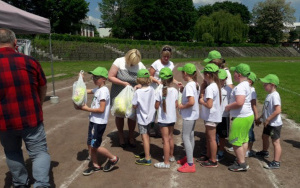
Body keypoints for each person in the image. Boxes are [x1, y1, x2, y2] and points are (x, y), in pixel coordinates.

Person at [0, 28, 50, 187]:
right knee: (39, 152)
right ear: (15, 42)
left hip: (4, 122)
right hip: (31, 118)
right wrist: (39, 104)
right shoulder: (30, 61)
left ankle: (20, 183)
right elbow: (43, 86)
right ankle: (41, 184)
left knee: (12, 152)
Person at [76, 67, 119, 176]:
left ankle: (113, 158)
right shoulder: (99, 89)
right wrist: (80, 82)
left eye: (96, 77)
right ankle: (95, 165)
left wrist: (86, 109)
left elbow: (101, 109)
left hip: (99, 123)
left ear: (103, 79)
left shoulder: (103, 91)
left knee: (95, 145)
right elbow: (86, 91)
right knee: (90, 143)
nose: (94, 79)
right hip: (94, 121)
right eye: (93, 76)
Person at [108, 49, 146, 148]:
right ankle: (121, 136)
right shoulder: (119, 61)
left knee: (132, 115)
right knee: (120, 114)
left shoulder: (140, 65)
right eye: (132, 63)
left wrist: (139, 85)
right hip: (119, 92)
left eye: (135, 63)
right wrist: (123, 83)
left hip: (133, 94)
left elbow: (146, 80)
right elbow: (110, 77)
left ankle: (131, 136)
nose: (133, 65)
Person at [225, 63, 254, 172]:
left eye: (235, 73)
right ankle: (240, 159)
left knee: (235, 139)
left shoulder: (241, 87)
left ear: (239, 74)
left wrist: (228, 107)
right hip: (247, 116)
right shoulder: (247, 84)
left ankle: (241, 163)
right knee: (243, 139)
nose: (233, 74)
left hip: (241, 117)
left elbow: (240, 102)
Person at [176, 63, 200, 173]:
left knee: (185, 136)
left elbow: (191, 102)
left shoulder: (190, 86)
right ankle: (189, 157)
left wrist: (181, 106)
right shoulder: (194, 84)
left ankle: (190, 164)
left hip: (189, 115)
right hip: (193, 114)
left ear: (185, 73)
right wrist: (183, 89)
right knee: (190, 135)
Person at [256, 74, 282, 169]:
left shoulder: (275, 96)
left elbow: (278, 110)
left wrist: (268, 119)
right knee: (264, 136)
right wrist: (260, 118)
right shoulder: (269, 95)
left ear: (272, 84)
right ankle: (265, 151)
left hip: (274, 124)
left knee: (276, 142)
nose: (263, 85)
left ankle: (276, 162)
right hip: (268, 123)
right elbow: (267, 109)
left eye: (265, 84)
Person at [198, 64, 222, 168]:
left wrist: (201, 101)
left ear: (208, 74)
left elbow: (209, 104)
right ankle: (208, 155)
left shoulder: (211, 88)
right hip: (211, 116)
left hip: (211, 117)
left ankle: (213, 160)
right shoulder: (214, 85)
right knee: (208, 137)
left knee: (211, 139)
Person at [154, 68, 178, 169]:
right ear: (172, 79)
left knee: (165, 140)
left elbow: (156, 106)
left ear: (161, 80)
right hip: (172, 118)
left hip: (163, 119)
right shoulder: (175, 91)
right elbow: (176, 104)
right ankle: (171, 156)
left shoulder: (159, 92)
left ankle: (166, 162)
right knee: (170, 137)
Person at [132, 69, 156, 166]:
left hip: (142, 118)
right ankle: (147, 152)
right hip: (150, 116)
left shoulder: (138, 92)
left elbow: (134, 105)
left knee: (144, 137)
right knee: (147, 135)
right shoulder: (151, 89)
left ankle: (147, 158)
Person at [215, 69, 232, 161]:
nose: (220, 81)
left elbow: (231, 102)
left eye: (222, 79)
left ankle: (221, 151)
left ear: (225, 79)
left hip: (224, 116)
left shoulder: (229, 90)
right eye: (218, 79)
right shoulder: (213, 88)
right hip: (214, 115)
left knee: (222, 135)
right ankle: (213, 149)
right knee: (213, 134)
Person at [246, 72, 259, 157]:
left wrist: (256, 116)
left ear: (250, 81)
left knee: (249, 133)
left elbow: (253, 104)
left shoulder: (252, 91)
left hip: (249, 114)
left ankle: (249, 150)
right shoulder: (244, 88)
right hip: (243, 114)